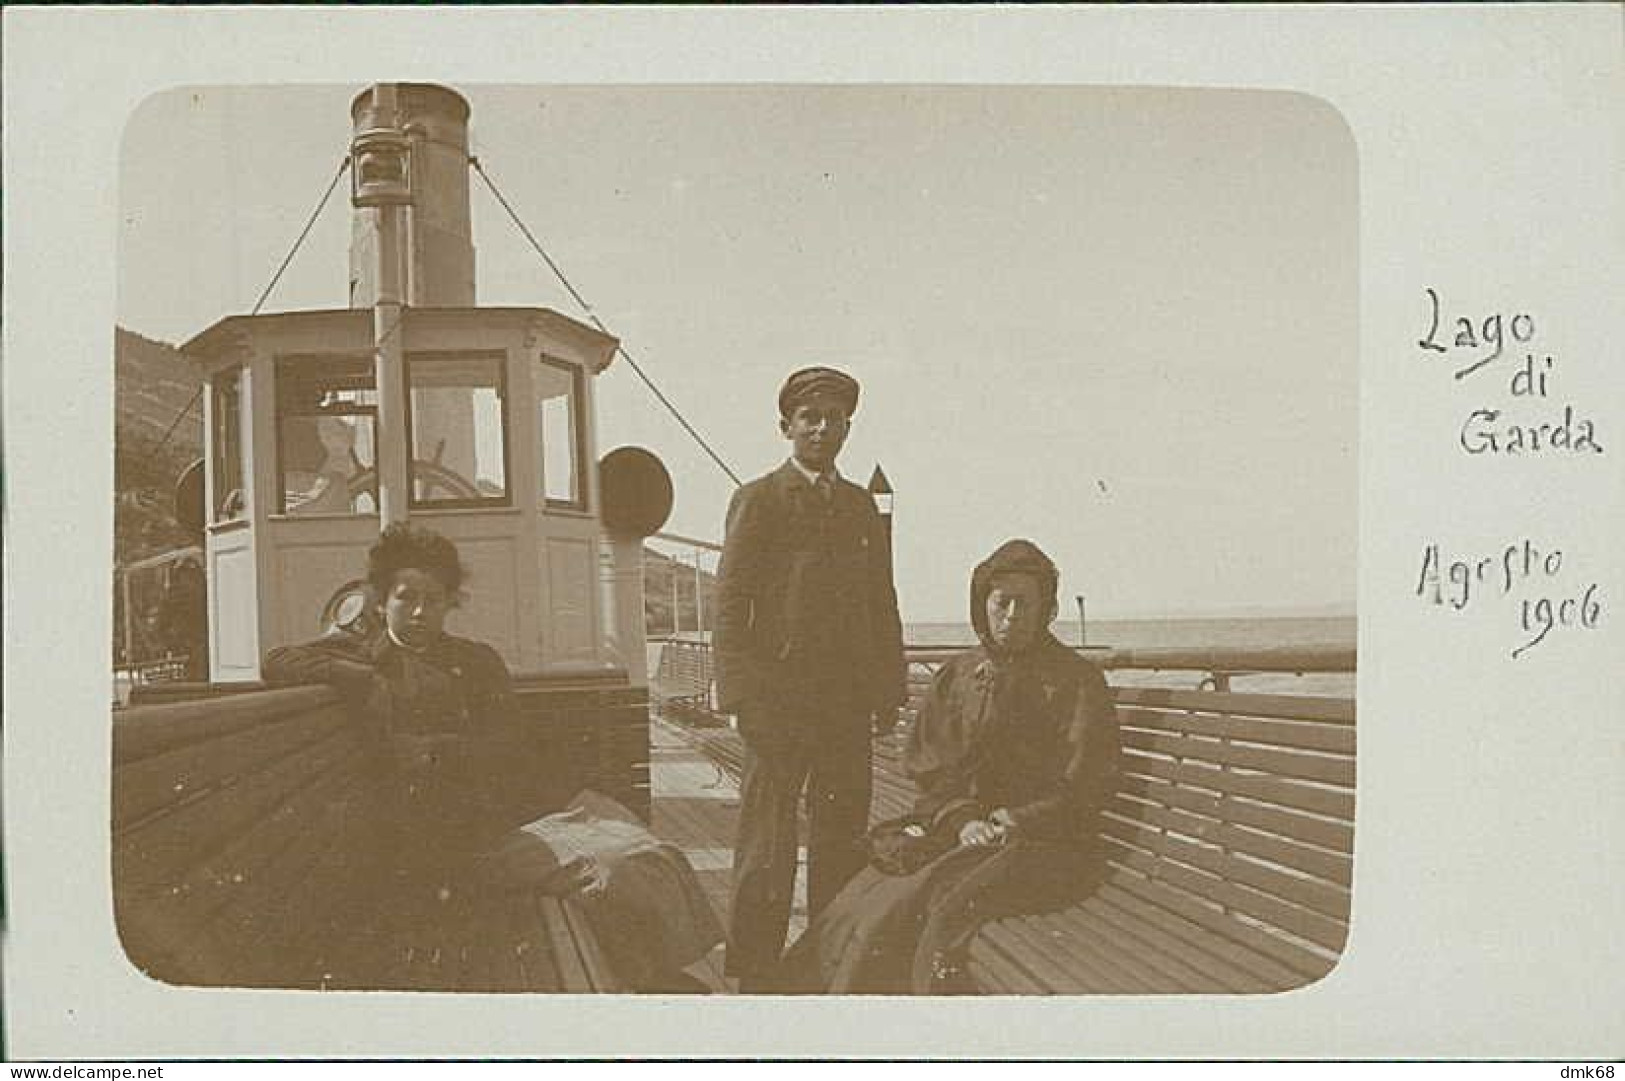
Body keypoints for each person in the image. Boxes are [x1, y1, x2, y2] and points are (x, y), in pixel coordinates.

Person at [263, 523, 721, 991]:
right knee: (615, 867)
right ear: (381, 601)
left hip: (504, 821)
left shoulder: (477, 661)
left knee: (647, 849)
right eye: (406, 597)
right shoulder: (366, 656)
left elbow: (511, 748)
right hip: (445, 850)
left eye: (434, 599)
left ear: (449, 604)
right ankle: (650, 982)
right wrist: (363, 677)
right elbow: (278, 660)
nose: (420, 611)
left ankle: (659, 972)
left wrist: (442, 752)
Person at [777, 539, 1119, 994]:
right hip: (966, 833)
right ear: (983, 606)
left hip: (1046, 843)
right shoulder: (960, 674)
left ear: (1046, 610)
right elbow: (932, 767)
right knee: (866, 894)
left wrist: (1011, 819)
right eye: (1002, 602)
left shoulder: (1077, 682)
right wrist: (962, 820)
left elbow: (1086, 784)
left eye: (1026, 604)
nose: (1013, 615)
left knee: (927, 902)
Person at [714, 366, 907, 991]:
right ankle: (754, 974)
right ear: (787, 428)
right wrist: (739, 693)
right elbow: (730, 602)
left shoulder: (857, 506)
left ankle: (828, 963)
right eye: (810, 419)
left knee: (841, 838)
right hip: (777, 703)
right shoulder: (760, 499)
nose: (823, 429)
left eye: (834, 418)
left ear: (848, 426)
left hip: (846, 705)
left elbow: (882, 598)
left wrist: (889, 687)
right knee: (767, 844)